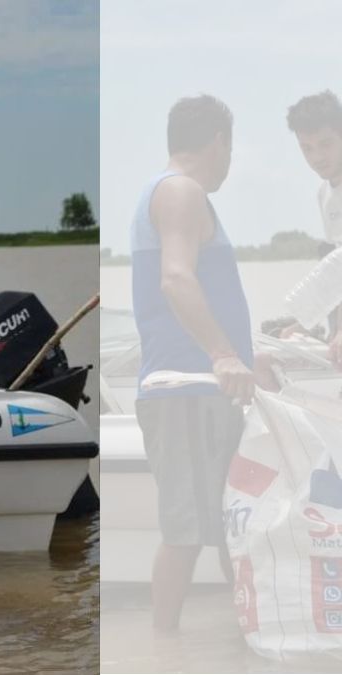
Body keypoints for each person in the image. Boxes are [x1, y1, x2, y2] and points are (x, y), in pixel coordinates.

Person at [129, 95, 255, 632]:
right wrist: (224, 355)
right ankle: (163, 650)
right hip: (185, 388)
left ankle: (246, 644)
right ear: (219, 142)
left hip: (205, 386)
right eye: (232, 147)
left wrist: (250, 355)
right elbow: (176, 279)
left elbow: (201, 293)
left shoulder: (177, 194)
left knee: (230, 528)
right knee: (186, 534)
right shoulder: (180, 191)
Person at [285, 91, 342, 364]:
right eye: (306, 148)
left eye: (325, 143)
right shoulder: (324, 193)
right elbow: (337, 271)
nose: (317, 156)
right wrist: (305, 322)